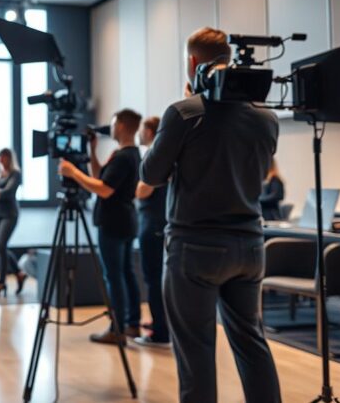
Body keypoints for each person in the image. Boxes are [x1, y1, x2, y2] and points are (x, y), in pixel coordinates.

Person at [142, 27, 281, 403]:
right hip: (251, 247)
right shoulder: (266, 119)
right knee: (252, 343)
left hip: (195, 248)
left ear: (192, 62)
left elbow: (150, 175)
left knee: (197, 352)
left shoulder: (183, 113)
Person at [59, 109, 143, 344]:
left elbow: (104, 190)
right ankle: (132, 324)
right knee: (125, 274)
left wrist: (73, 172)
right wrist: (92, 151)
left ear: (124, 126)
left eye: (114, 124)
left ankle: (117, 328)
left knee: (114, 276)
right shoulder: (130, 154)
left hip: (113, 223)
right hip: (125, 221)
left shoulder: (124, 157)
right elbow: (100, 177)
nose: (111, 128)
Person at [134, 117, 170, 348]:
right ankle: (160, 323)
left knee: (154, 279)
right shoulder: (163, 154)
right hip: (156, 222)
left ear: (149, 131)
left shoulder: (156, 155)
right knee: (156, 278)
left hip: (153, 223)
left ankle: (160, 333)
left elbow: (142, 191)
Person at [0, 148, 27, 297]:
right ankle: (19, 273)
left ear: (10, 158)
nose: (2, 160)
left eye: (5, 157)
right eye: (0, 157)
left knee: (0, 246)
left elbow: (8, 193)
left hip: (9, 215)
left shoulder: (16, 174)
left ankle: (1, 282)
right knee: (1, 248)